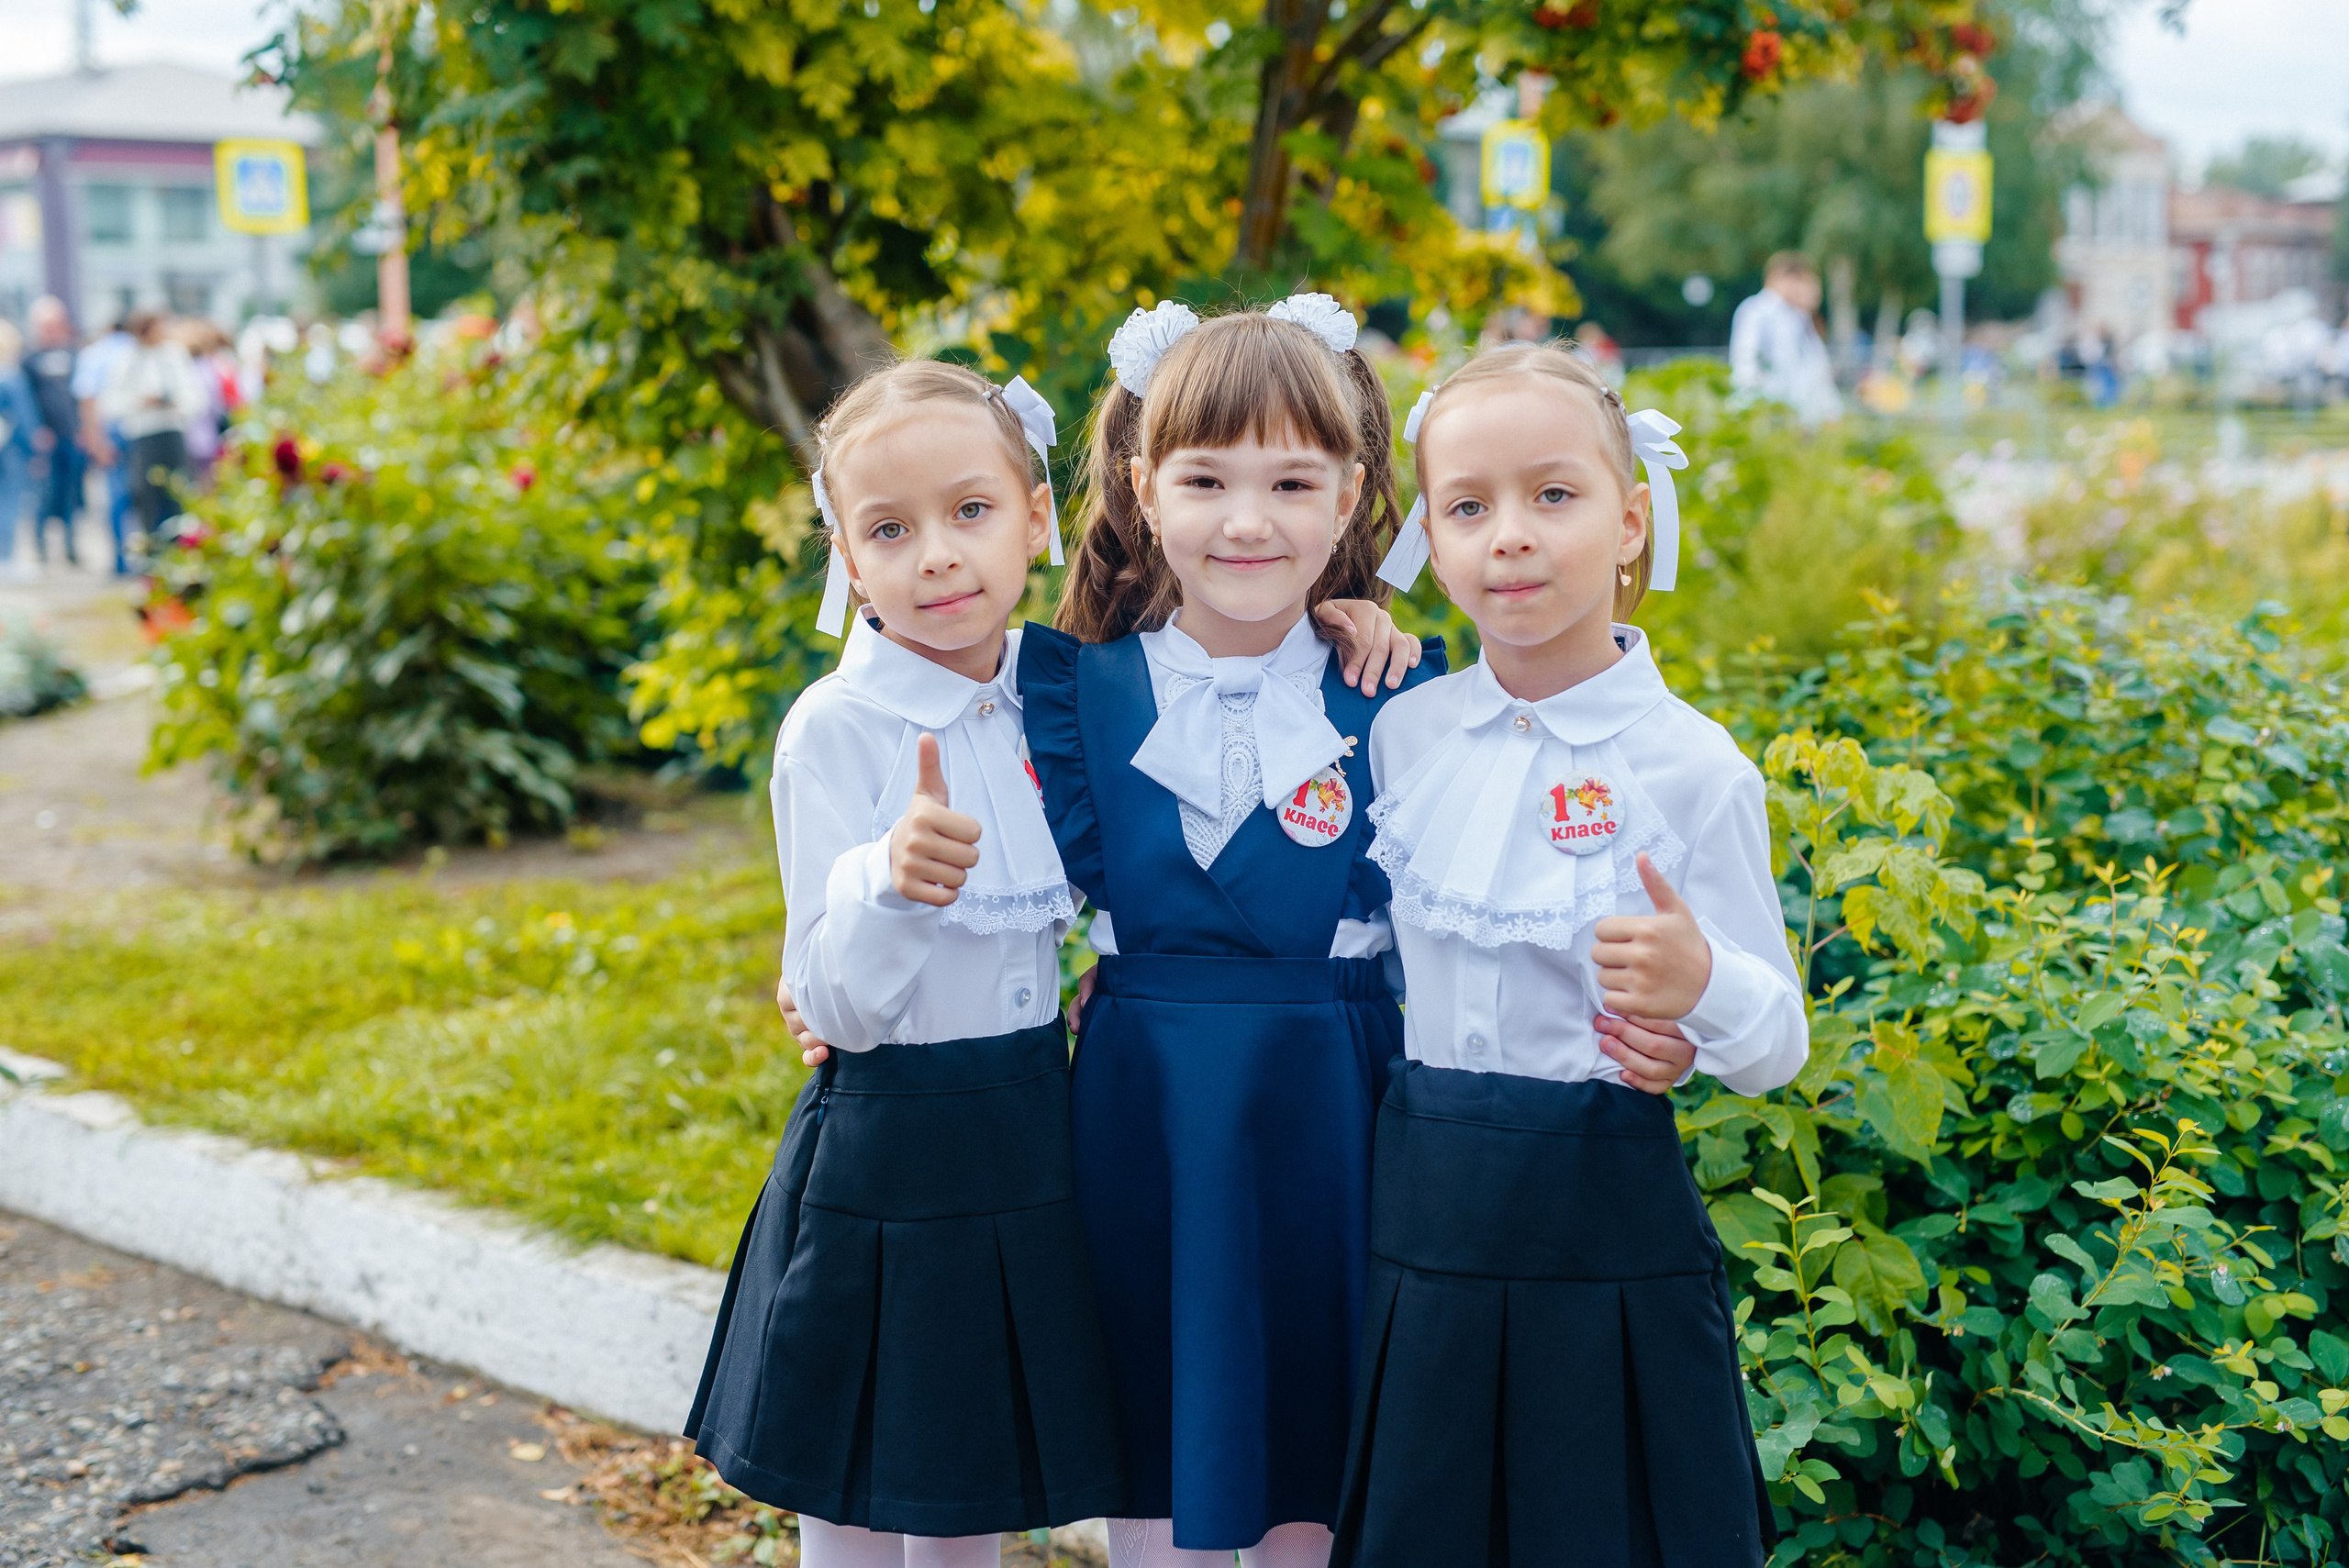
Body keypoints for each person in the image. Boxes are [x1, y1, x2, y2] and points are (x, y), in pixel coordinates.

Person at [1330, 342, 1805, 1566]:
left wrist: (1702, 990)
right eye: (1467, 507)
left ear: (1632, 519)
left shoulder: (1695, 767)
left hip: (1603, 1224)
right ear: (1427, 541)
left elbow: (1776, 1047)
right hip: (1428, 1217)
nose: (1512, 537)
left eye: (1555, 495)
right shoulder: (1407, 735)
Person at [1017, 296, 1442, 1568]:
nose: (1249, 520)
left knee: (1322, 1407)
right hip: (1146, 1104)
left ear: (1352, 491)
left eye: (1291, 481)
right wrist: (825, 962)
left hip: (1335, 1098)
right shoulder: (1074, 691)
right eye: (1206, 478)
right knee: (1155, 1396)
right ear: (1144, 486)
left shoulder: (1402, 695)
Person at [683, 360, 1127, 1568]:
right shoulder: (836, 728)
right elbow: (830, 997)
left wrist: (1353, 613)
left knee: (965, 1461)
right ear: (844, 549)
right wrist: (889, 882)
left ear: (1037, 514)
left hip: (1032, 1123)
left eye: (971, 512)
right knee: (864, 1466)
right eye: (890, 528)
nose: (938, 555)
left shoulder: (1064, 688)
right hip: (894, 1139)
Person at [97, 308, 205, 558]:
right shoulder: (126, 359)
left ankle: (181, 552)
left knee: (178, 494)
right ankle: (152, 556)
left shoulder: (174, 356)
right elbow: (110, 403)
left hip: (172, 431)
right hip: (143, 435)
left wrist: (175, 402)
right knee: (146, 498)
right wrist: (140, 402)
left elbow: (195, 396)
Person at [1728, 252, 1842, 426]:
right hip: (1768, 412)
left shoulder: (1796, 317)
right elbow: (1745, 363)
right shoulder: (1758, 310)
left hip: (1790, 415)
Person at [72, 314, 136, 573]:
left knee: (116, 496)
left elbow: (88, 399)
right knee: (142, 496)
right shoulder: (134, 349)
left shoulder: (94, 354)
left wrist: (96, 440)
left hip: (111, 430)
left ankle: (122, 560)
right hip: (139, 430)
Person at [24, 296, 82, 568]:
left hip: (72, 436)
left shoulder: (73, 356)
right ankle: (41, 549)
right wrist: (37, 430)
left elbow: (81, 396)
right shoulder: (29, 360)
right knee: (44, 495)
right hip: (46, 438)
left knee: (72, 494)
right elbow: (27, 400)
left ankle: (71, 547)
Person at [0, 320, 33, 580]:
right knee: (9, 501)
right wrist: (34, 444)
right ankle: (6, 557)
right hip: (9, 449)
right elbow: (24, 417)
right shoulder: (11, 376)